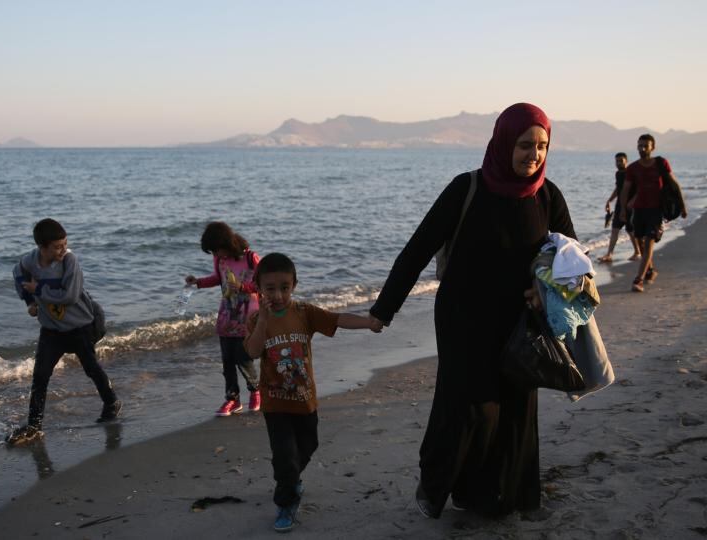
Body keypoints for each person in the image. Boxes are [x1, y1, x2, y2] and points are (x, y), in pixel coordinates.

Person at [369, 103, 577, 518]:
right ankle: (437, 487)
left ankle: (497, 496)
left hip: (521, 323)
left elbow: (571, 259)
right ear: (503, 143)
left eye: (541, 146)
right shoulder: (467, 189)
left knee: (516, 409)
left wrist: (545, 291)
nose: (533, 155)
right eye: (524, 145)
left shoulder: (548, 195)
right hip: (463, 319)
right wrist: (384, 309)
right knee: (469, 408)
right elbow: (417, 250)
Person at [244, 253, 383, 532]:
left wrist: (368, 322)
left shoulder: (305, 313)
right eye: (270, 288)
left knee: (308, 446)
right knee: (285, 455)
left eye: (284, 287)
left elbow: (337, 319)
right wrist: (262, 323)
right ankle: (286, 503)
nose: (278, 294)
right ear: (259, 288)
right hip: (275, 403)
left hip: (305, 401)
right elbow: (252, 351)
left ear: (294, 285)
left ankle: (290, 477)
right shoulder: (257, 319)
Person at [7, 218, 121, 444]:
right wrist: (29, 301)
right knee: (40, 376)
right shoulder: (29, 262)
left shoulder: (70, 262)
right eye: (57, 246)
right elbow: (17, 273)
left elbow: (69, 296)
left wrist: (38, 289)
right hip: (51, 330)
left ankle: (111, 402)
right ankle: (34, 425)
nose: (63, 249)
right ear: (42, 247)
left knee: (91, 368)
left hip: (80, 326)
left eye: (65, 244)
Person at [185, 222, 262, 417]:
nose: (216, 255)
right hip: (227, 315)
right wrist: (198, 282)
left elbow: (263, 282)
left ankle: (256, 391)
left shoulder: (250, 258)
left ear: (227, 244)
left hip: (248, 316)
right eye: (213, 252)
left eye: (216, 250)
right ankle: (232, 399)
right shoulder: (220, 260)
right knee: (227, 359)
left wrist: (244, 288)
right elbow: (218, 279)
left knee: (243, 356)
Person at [620, 134, 688, 292]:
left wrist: (682, 206)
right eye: (640, 146)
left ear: (652, 147)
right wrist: (623, 210)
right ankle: (649, 269)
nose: (642, 149)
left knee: (650, 240)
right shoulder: (633, 168)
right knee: (640, 241)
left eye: (645, 146)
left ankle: (639, 280)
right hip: (638, 210)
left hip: (657, 211)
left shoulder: (661, 163)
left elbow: (674, 184)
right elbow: (625, 190)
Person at [597, 152, 641, 263]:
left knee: (630, 230)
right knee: (615, 230)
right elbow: (618, 188)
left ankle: (637, 252)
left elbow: (639, 190)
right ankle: (609, 254)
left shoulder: (630, 173)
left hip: (630, 207)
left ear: (626, 161)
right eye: (617, 161)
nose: (619, 163)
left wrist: (632, 202)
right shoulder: (618, 174)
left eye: (621, 160)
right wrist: (609, 200)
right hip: (619, 206)